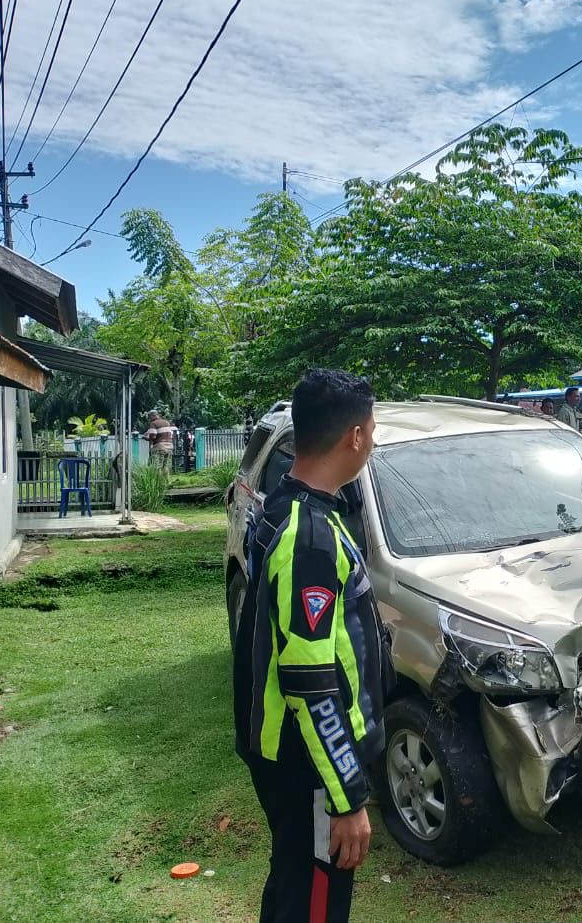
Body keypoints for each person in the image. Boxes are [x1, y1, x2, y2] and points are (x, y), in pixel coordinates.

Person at [233, 369, 391, 923]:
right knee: (318, 905)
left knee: (294, 885)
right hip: (309, 764)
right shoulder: (309, 536)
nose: (372, 440)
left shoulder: (291, 506)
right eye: (371, 429)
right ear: (354, 436)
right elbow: (312, 680)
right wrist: (346, 797)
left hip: (294, 758)